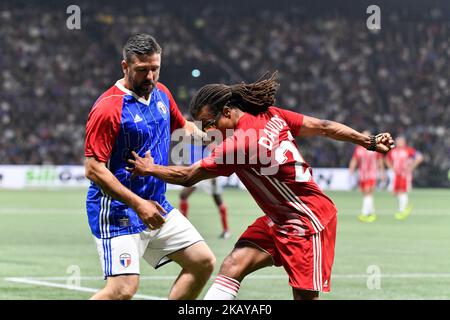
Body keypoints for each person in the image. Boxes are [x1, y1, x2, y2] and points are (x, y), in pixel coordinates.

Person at [126, 72, 394, 300]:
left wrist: (150, 169)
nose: (207, 131)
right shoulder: (271, 115)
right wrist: (368, 141)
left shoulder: (239, 145)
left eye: (209, 123)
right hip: (280, 219)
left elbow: (188, 176)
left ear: (228, 112)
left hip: (308, 221)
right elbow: (323, 126)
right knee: (232, 265)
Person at [84, 33, 215, 300]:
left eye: (155, 68)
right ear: (125, 66)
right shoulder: (109, 108)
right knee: (122, 290)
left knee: (202, 262)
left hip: (156, 205)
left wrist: (217, 140)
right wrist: (137, 204)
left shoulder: (162, 94)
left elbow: (184, 127)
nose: (151, 76)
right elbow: (93, 169)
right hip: (117, 211)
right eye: (142, 70)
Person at [179, 142, 231, 239]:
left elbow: (216, 152)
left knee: (218, 200)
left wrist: (215, 175)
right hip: (198, 171)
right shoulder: (195, 139)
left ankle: (226, 230)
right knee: (183, 195)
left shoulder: (209, 139)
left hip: (209, 174)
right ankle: (183, 229)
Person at [348, 130, 386, 222]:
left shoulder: (375, 147)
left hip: (372, 173)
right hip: (362, 175)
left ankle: (364, 213)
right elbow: (354, 159)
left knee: (369, 192)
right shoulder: (359, 148)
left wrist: (382, 172)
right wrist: (351, 169)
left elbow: (380, 161)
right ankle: (371, 213)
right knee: (366, 193)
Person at [385, 136, 423, 220]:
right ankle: (405, 206)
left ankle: (402, 210)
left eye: (401, 141)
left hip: (404, 175)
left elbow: (419, 157)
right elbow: (387, 159)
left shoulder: (408, 150)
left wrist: (412, 167)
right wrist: (391, 168)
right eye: (398, 141)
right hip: (396, 175)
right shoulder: (393, 151)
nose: (399, 143)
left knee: (402, 191)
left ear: (404, 142)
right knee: (394, 192)